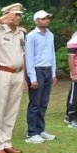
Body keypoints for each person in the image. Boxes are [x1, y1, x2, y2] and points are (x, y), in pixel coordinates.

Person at [0, 4, 27, 153]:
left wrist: (24, 77)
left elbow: (22, 55)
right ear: (7, 15)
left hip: (17, 73)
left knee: (12, 109)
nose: (18, 18)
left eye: (20, 15)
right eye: (15, 14)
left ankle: (6, 142)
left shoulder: (21, 33)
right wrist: (0, 20)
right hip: (2, 72)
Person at [24, 10, 57, 144]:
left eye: (47, 18)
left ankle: (40, 129)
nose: (46, 21)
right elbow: (29, 57)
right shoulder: (31, 36)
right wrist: (32, 77)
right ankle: (31, 132)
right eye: (43, 19)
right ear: (36, 21)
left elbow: (52, 54)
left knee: (43, 102)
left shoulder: (50, 35)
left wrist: (53, 73)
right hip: (37, 70)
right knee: (35, 102)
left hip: (48, 69)